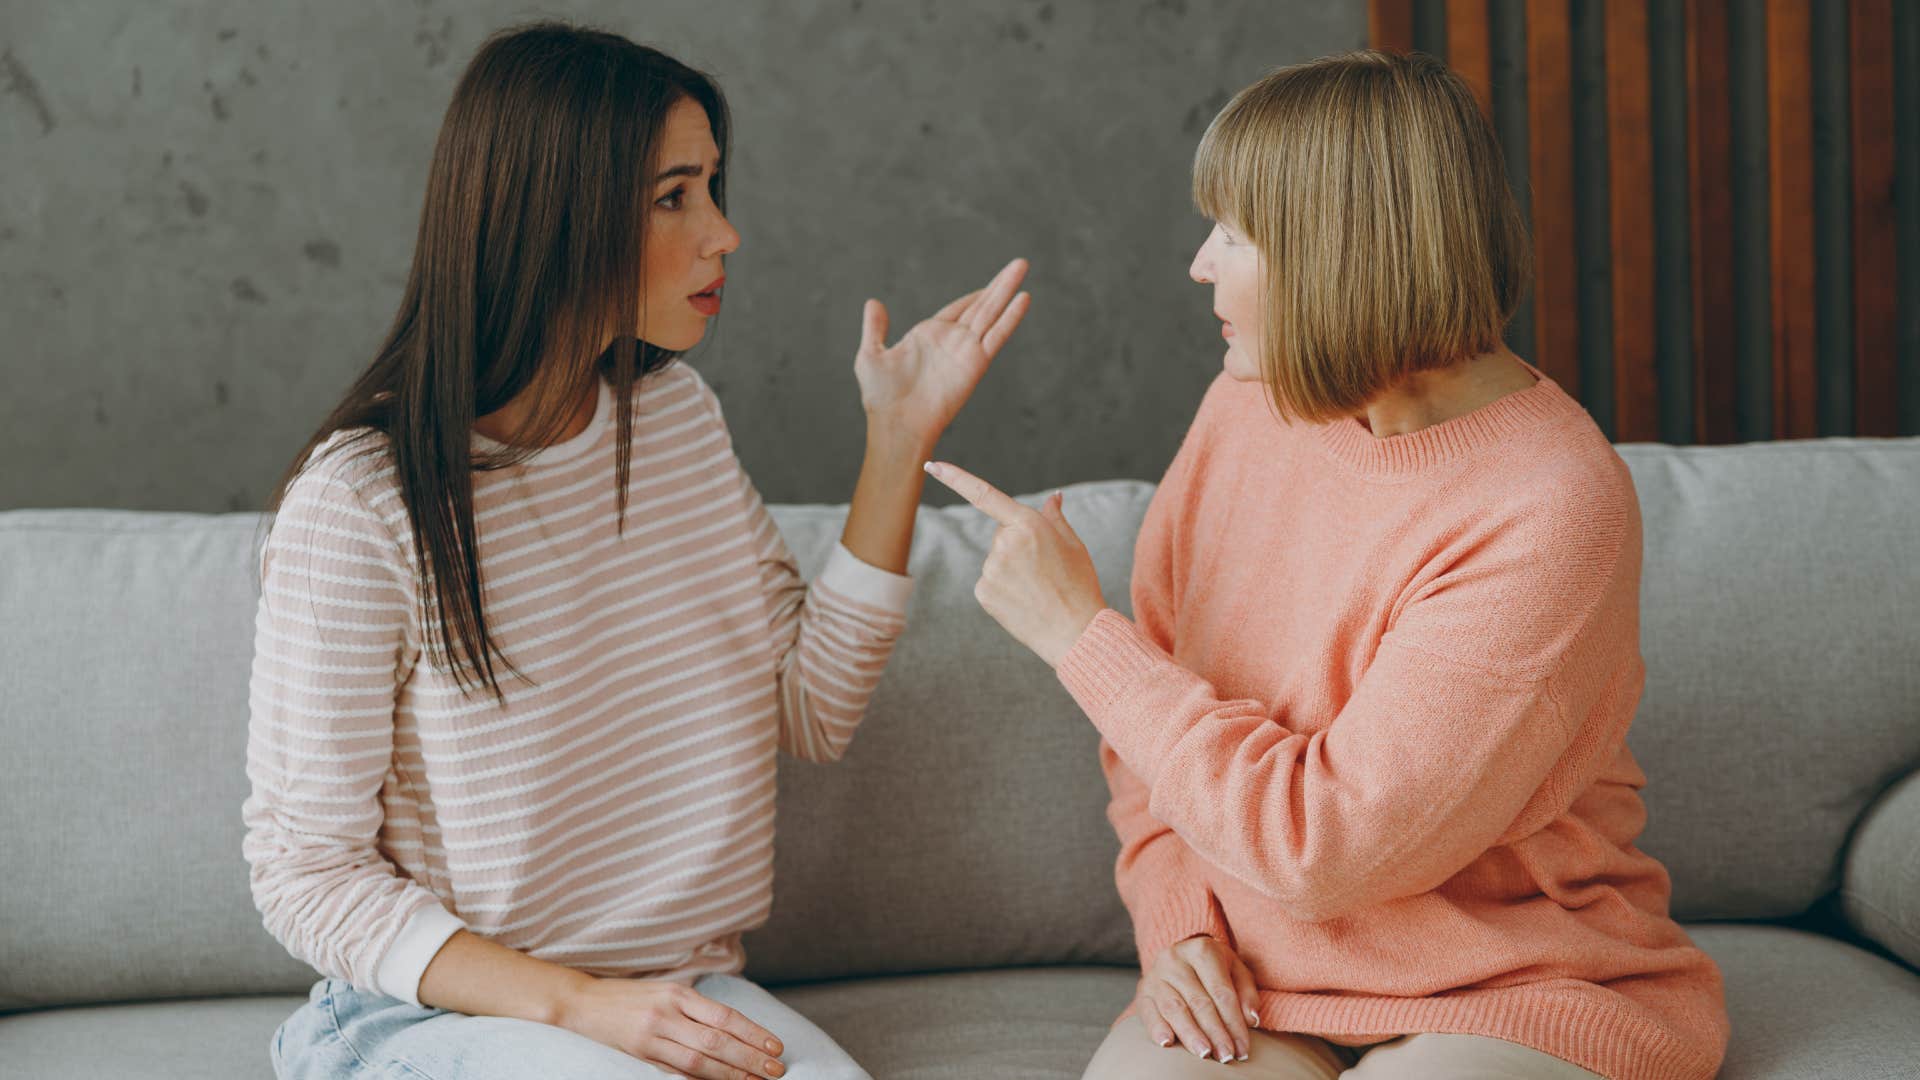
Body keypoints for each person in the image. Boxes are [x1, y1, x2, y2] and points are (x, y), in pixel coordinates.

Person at [243, 21, 1029, 1080]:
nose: (724, 233)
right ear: (553, 217)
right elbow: (305, 875)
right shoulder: (364, 501)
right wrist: (585, 1010)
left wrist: (897, 443)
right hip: (427, 1020)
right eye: (675, 197)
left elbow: (811, 708)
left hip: (679, 993)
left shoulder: (674, 422)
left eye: (713, 187)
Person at [925, 49, 1730, 1080]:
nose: (1199, 266)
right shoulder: (1245, 409)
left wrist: (1079, 637)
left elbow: (1327, 849)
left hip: (1518, 986)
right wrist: (1178, 922)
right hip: (1255, 976)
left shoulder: (1552, 505)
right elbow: (1152, 729)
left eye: (1233, 234)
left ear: (1336, 250)